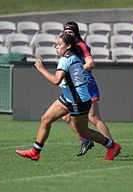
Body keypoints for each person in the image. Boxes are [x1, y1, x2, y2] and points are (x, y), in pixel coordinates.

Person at [15, 33, 121, 161]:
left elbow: (56, 81)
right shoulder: (72, 57)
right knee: (46, 119)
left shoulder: (66, 59)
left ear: (69, 46)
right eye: (56, 45)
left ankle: (112, 146)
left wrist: (41, 69)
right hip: (69, 97)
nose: (57, 47)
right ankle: (35, 151)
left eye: (59, 44)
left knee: (83, 131)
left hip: (78, 100)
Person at [62, 21, 113, 156]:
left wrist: (75, 71)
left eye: (70, 32)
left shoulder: (80, 45)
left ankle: (112, 145)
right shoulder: (68, 48)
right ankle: (86, 141)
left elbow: (90, 63)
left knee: (94, 117)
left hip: (87, 85)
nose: (68, 34)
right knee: (67, 118)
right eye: (65, 32)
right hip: (75, 88)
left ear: (76, 33)